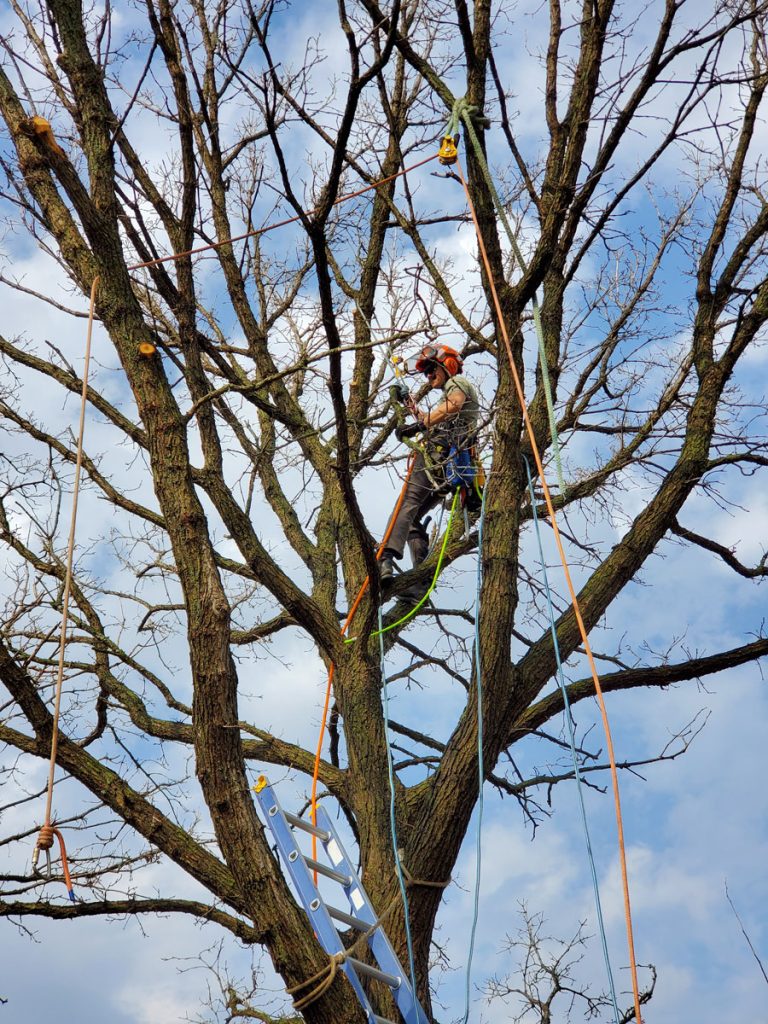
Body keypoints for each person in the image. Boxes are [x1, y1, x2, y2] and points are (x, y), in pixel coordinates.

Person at [380, 343, 480, 590]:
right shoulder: (450, 397)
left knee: (406, 503)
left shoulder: (457, 385)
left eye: (431, 370)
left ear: (446, 366)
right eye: (425, 373)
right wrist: (409, 404)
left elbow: (454, 404)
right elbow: (432, 419)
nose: (428, 376)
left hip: (440, 456)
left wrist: (418, 427)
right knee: (412, 517)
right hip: (450, 468)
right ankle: (420, 582)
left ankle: (384, 558)